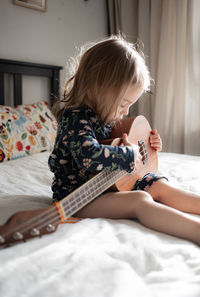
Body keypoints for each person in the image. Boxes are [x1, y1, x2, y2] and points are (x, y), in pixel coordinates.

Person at [48, 36, 200, 246]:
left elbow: (118, 141)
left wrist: (149, 143)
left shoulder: (104, 116)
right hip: (79, 196)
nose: (126, 112)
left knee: (158, 185)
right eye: (122, 104)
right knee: (140, 201)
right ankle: (195, 232)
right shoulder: (75, 118)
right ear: (94, 90)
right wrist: (128, 155)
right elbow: (88, 156)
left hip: (109, 185)